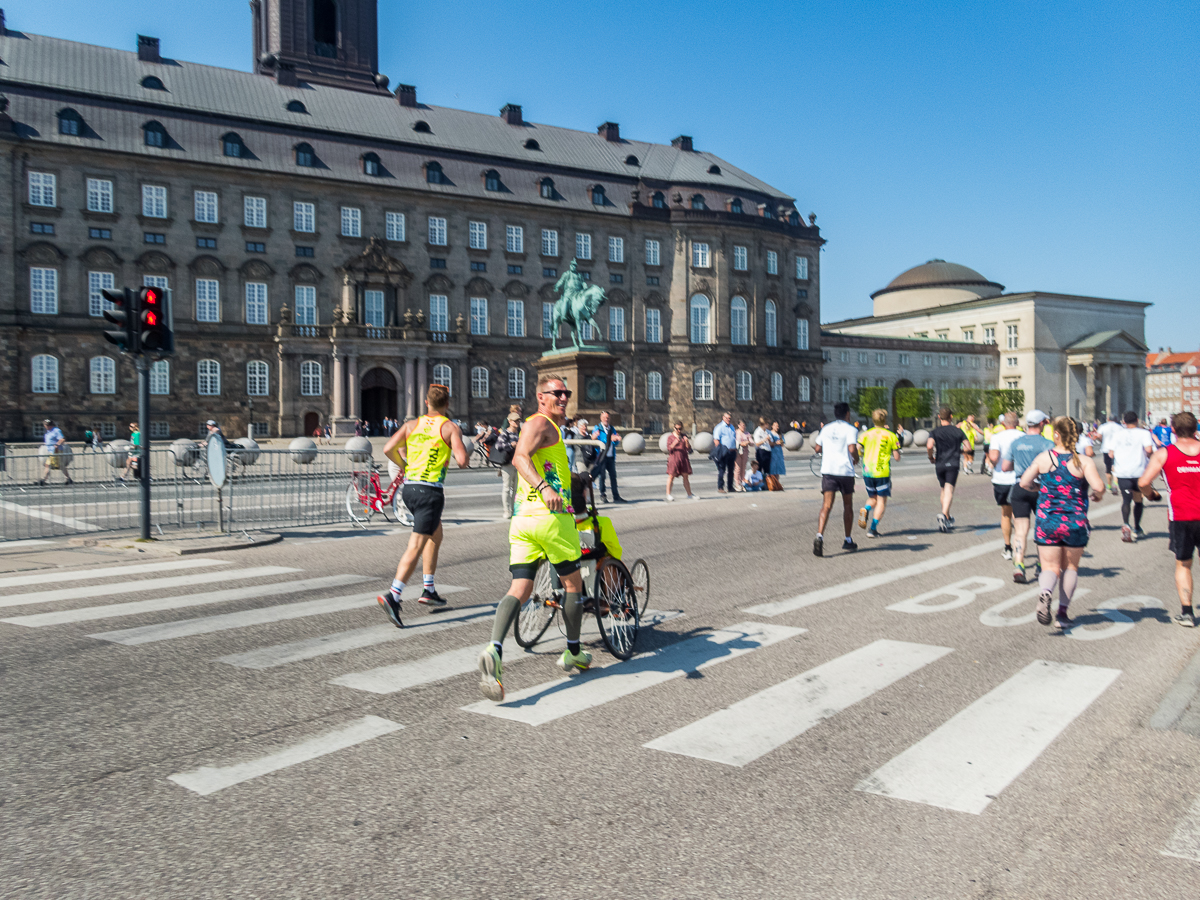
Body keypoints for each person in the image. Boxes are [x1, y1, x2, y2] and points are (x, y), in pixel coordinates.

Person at [478, 375, 591, 700]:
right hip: (550, 518)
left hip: (523, 520)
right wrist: (546, 488)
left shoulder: (545, 426)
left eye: (566, 392)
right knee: (573, 585)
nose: (564, 397)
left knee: (521, 588)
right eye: (557, 393)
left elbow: (536, 459)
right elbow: (520, 457)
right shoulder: (541, 423)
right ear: (540, 397)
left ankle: (495, 649)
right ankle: (573, 651)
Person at [376, 384, 469, 626]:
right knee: (416, 544)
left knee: (435, 535)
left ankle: (429, 589)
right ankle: (393, 595)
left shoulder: (411, 425)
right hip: (430, 492)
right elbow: (462, 461)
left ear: (426, 403)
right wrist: (459, 449)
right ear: (447, 404)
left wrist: (404, 464)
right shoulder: (449, 427)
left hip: (409, 489)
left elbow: (388, 449)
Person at [1019, 417, 1106, 631]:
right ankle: (1062, 614)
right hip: (1075, 521)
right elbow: (1099, 486)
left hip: (1047, 520)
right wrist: (1097, 495)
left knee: (1049, 567)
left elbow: (1024, 482)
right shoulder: (1083, 461)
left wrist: (1038, 490)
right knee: (1070, 568)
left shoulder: (1044, 458)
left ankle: (1046, 592)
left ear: (1056, 434)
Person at [1140, 411, 1200, 626]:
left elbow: (1143, 482)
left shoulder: (1164, 453)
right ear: (1196, 429)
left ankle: (1187, 613)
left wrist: (1152, 495)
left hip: (1181, 516)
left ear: (1172, 430)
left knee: (1183, 564)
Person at [1002, 410, 1054, 582]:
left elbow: (1005, 467)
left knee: (1021, 530)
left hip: (1020, 487)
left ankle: (1019, 565)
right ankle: (1040, 565)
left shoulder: (1016, 443)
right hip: (1040, 489)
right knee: (1043, 528)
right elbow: (1053, 468)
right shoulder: (1047, 444)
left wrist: (1020, 467)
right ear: (1042, 424)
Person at [813, 402, 860, 557]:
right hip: (845, 471)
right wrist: (856, 458)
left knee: (826, 505)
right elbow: (852, 449)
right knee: (847, 505)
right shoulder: (851, 429)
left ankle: (819, 535)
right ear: (847, 414)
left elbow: (817, 448)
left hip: (828, 470)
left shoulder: (826, 428)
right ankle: (847, 539)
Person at [1110, 410, 1154, 542]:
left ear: (1124, 422)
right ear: (1137, 421)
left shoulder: (1117, 434)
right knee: (1138, 500)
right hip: (1139, 471)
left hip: (1123, 472)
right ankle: (1137, 528)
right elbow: (1148, 450)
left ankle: (1126, 524)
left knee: (1126, 500)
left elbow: (1111, 453)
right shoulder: (1144, 433)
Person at [857, 408, 901, 538]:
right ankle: (873, 529)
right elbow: (897, 457)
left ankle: (866, 509)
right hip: (882, 472)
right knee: (881, 501)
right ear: (885, 420)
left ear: (873, 420)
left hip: (868, 471)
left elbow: (857, 448)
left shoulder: (865, 434)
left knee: (873, 498)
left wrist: (861, 454)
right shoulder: (891, 435)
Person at [987, 412, 1022, 559]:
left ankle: (1007, 547)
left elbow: (994, 457)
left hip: (1002, 479)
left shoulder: (997, 437)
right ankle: (1019, 547)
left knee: (1005, 514)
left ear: (1003, 424)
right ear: (1017, 423)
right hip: (1019, 479)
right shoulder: (1023, 436)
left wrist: (992, 462)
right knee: (1019, 516)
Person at [926, 407, 967, 532]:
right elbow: (968, 447)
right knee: (949, 489)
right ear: (951, 417)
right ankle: (943, 515)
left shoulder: (935, 431)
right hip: (953, 463)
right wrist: (959, 450)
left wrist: (930, 456)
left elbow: (929, 445)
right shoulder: (958, 431)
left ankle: (947, 518)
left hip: (939, 463)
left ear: (939, 417)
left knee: (943, 490)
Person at [590, 411, 625, 503]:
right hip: (601, 456)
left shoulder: (612, 428)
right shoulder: (597, 428)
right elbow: (596, 441)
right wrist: (609, 439)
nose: (606, 419)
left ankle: (616, 496)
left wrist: (617, 440)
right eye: (605, 417)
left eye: (608, 418)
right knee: (602, 476)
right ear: (601, 418)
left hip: (610, 456)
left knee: (613, 476)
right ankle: (603, 495)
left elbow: (614, 442)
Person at [496, 411, 522, 518]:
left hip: (518, 464)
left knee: (516, 488)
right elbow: (499, 446)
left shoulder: (520, 433)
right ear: (510, 422)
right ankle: (507, 510)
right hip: (507, 463)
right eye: (515, 421)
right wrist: (511, 445)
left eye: (518, 420)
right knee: (507, 488)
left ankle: (514, 509)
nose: (517, 423)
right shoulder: (505, 433)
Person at [665, 421, 696, 500]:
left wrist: (687, 442)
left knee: (685, 476)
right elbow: (669, 448)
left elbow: (688, 448)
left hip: (683, 458)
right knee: (671, 476)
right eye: (677, 429)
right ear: (674, 428)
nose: (679, 430)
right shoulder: (670, 437)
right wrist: (674, 443)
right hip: (674, 458)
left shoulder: (684, 436)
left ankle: (689, 494)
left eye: (680, 429)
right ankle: (668, 494)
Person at [37, 419, 73, 485]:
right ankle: (68, 479)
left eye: (48, 425)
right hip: (51, 452)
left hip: (56, 451)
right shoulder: (48, 432)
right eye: (46, 425)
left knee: (48, 465)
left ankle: (43, 480)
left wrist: (57, 444)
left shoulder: (56, 430)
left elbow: (62, 439)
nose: (47, 426)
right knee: (61, 466)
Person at [712, 412, 737, 493]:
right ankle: (720, 487)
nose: (728, 419)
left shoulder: (732, 427)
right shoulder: (719, 427)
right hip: (724, 452)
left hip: (732, 451)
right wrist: (720, 451)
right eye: (726, 418)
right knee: (722, 470)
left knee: (731, 470)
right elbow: (716, 440)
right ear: (723, 417)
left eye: (729, 418)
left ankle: (730, 487)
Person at [1097, 413, 1122, 494]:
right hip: (1116, 449)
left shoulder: (1103, 426)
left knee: (1108, 468)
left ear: (1108, 419)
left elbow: (1099, 436)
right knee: (1115, 466)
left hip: (1106, 449)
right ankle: (1115, 484)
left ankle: (1109, 485)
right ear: (1115, 419)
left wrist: (1102, 441)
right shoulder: (1119, 427)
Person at [733, 420, 751, 491]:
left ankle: (743, 483)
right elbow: (733, 441)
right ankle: (737, 483)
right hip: (738, 452)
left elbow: (752, 442)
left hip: (745, 452)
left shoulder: (747, 433)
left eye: (744, 425)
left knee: (743, 468)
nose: (743, 427)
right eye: (742, 425)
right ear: (738, 425)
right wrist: (740, 443)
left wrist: (748, 442)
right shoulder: (735, 433)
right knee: (738, 468)